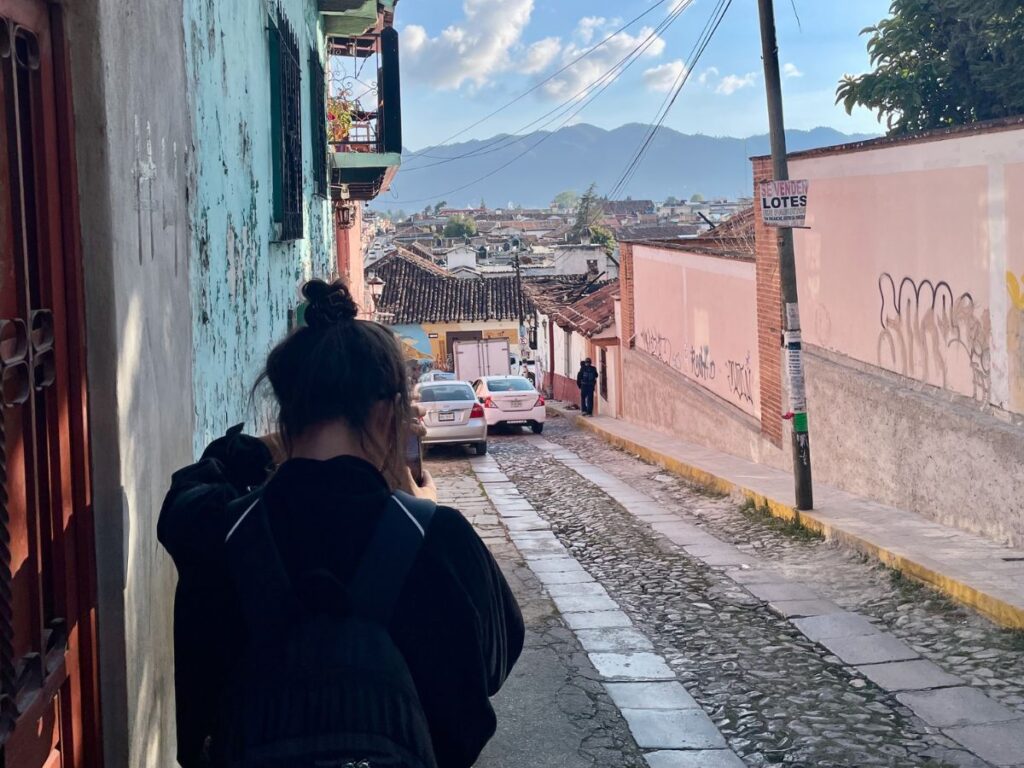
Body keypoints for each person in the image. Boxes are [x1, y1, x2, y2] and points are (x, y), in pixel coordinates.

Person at [158, 279, 524, 768]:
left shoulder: (220, 535)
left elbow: (190, 490)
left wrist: (258, 450)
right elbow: (491, 668)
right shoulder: (437, 539)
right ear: (386, 409)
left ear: (286, 411)